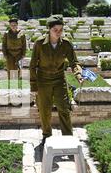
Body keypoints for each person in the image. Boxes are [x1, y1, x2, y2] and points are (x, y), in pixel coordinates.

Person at [30, 15, 83, 146]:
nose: (58, 33)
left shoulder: (66, 44)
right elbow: (32, 65)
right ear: (49, 29)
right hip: (43, 80)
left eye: (60, 30)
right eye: (55, 30)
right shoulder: (39, 43)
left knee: (64, 108)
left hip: (59, 79)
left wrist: (78, 74)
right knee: (44, 110)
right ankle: (46, 136)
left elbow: (74, 62)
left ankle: (68, 138)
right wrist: (34, 87)